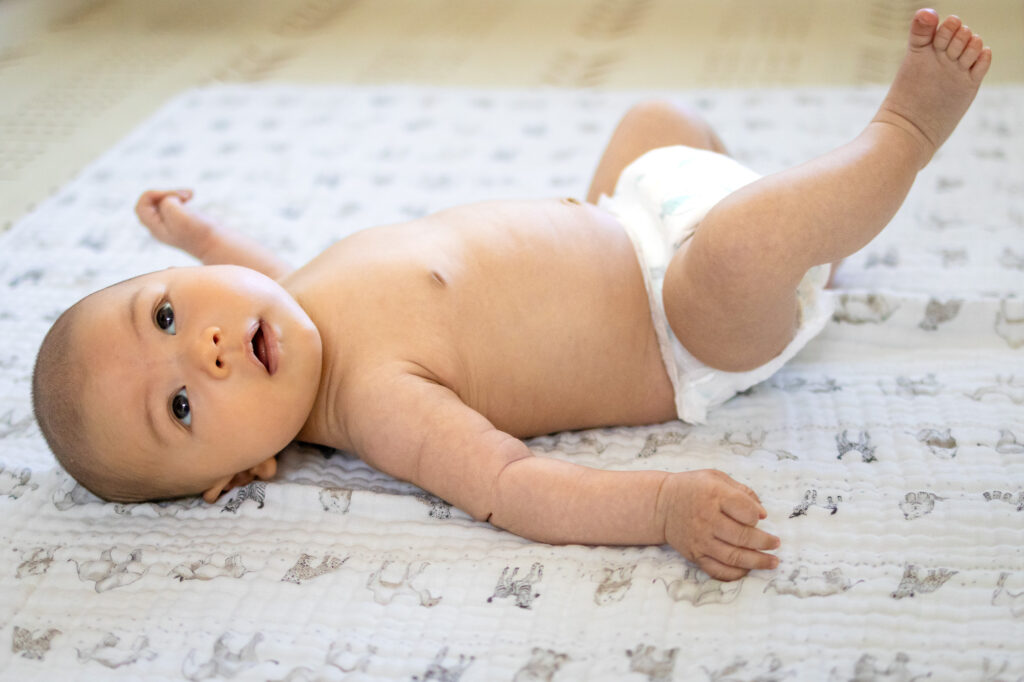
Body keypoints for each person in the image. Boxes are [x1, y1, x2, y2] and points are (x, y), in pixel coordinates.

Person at [32, 10, 991, 581]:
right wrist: (660, 511)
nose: (202, 348)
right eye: (184, 405)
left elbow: (252, 279)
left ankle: (810, 244)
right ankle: (901, 135)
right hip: (685, 322)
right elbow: (513, 488)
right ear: (241, 474)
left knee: (657, 118)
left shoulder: (289, 307)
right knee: (745, 250)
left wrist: (199, 235)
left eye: (165, 312)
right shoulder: (374, 405)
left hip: (629, 212)